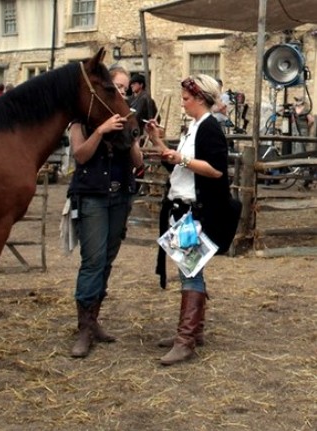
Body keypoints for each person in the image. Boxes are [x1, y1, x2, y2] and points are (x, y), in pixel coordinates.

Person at [145, 74, 236, 366]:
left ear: (199, 99)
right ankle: (192, 332)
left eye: (186, 98)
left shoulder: (210, 127)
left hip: (197, 213)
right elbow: (177, 164)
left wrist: (180, 159)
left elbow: (216, 170)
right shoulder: (193, 127)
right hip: (183, 210)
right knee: (190, 269)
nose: (182, 102)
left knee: (190, 273)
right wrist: (158, 141)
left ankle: (186, 341)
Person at [67, 65, 143, 358]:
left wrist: (133, 137)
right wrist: (100, 130)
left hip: (120, 194)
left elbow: (137, 162)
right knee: (93, 260)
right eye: (118, 86)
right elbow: (81, 155)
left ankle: (94, 319)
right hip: (93, 195)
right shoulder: (81, 119)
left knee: (108, 259)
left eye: (125, 88)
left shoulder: (126, 119)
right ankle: (83, 328)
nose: (122, 92)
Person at [128, 74, 158, 139]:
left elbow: (153, 117)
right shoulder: (130, 99)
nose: (131, 85)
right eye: (131, 84)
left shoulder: (145, 98)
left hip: (140, 132)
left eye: (134, 83)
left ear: (141, 85)